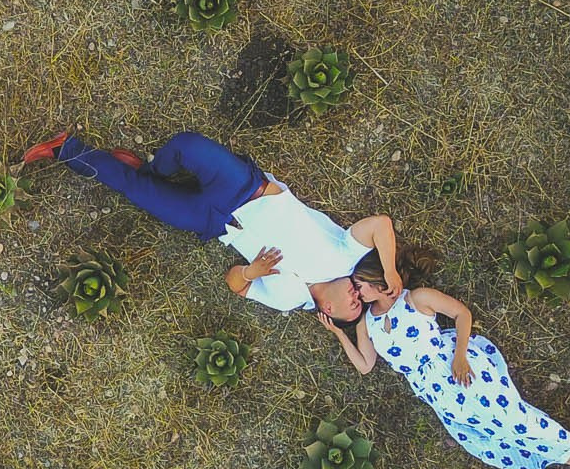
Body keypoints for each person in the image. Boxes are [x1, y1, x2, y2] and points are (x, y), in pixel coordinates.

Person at [327, 248, 570, 469]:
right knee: (491, 436)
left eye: (359, 285)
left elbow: (461, 314)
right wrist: (341, 333)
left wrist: (459, 357)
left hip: (459, 369)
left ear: (378, 281)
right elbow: (365, 366)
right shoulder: (367, 322)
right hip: (435, 392)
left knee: (515, 419)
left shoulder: (416, 298)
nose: (357, 292)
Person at [22, 129, 396, 323]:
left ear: (328, 312)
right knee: (186, 146)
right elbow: (381, 224)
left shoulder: (287, 301)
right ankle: (153, 172)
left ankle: (64, 148)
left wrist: (251, 271)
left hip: (216, 223)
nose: (356, 298)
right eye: (359, 300)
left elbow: (235, 286)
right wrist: (390, 270)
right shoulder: (343, 258)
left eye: (353, 308)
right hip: (246, 188)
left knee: (134, 191)